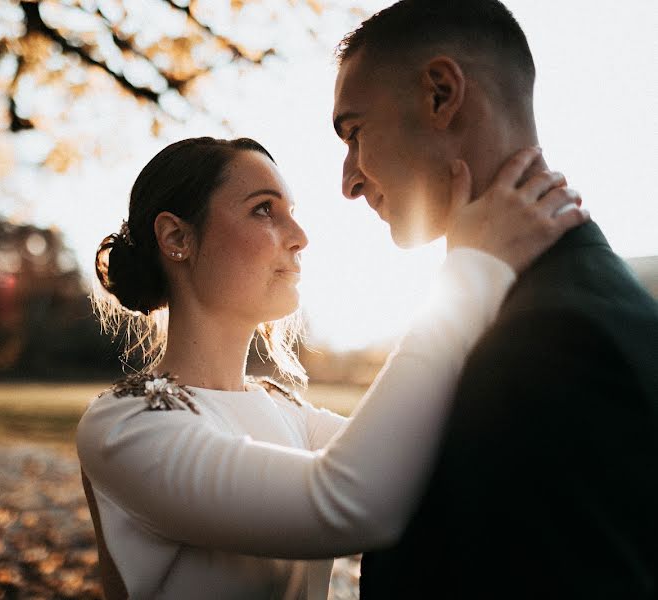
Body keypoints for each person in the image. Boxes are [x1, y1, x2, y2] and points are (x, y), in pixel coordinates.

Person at [76, 135, 586, 599]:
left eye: (291, 211)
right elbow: (347, 502)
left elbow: (434, 464)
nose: (299, 235)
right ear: (177, 238)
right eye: (262, 210)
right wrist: (474, 269)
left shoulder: (286, 410)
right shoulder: (124, 427)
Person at [330, 1, 658, 598]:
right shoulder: (545, 302)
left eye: (355, 133)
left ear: (440, 93)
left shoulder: (557, 339)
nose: (348, 181)